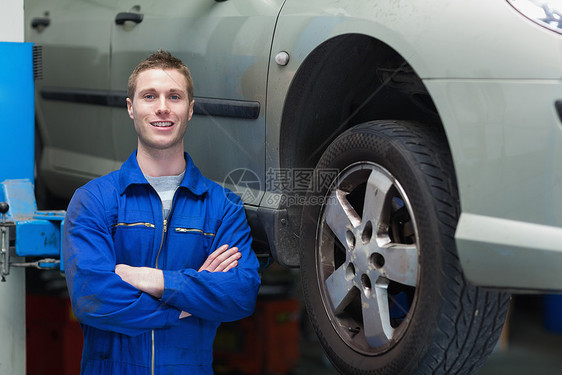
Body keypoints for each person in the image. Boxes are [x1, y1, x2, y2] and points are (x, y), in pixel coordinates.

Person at [63, 50, 261, 374]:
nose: (162, 107)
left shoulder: (223, 207)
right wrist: (188, 301)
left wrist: (151, 279)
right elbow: (92, 297)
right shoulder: (94, 200)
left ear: (190, 109)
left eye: (175, 96)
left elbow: (240, 294)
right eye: (149, 96)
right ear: (131, 107)